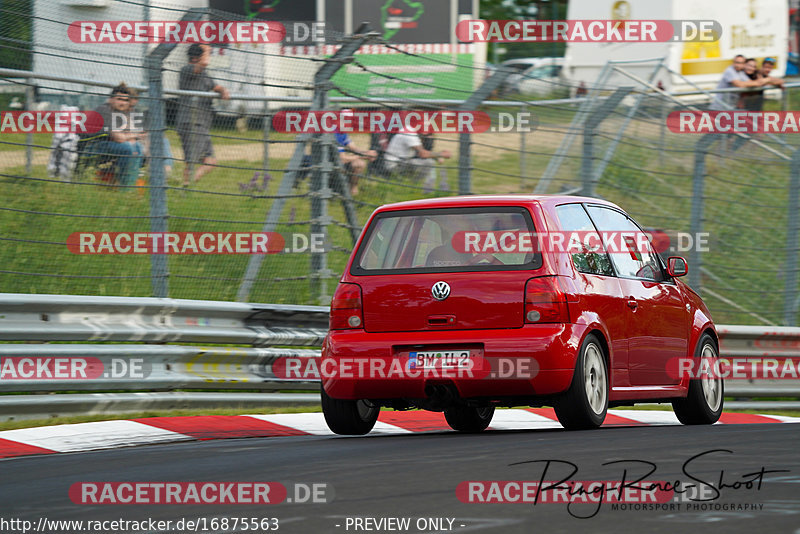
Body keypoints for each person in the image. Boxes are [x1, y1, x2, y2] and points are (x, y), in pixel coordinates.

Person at [176, 43, 229, 187]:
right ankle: (185, 188)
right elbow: (203, 63)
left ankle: (188, 184)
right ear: (196, 57)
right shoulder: (187, 70)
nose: (209, 56)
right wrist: (206, 50)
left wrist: (223, 90)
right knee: (191, 161)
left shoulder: (205, 75)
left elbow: (216, 87)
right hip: (191, 122)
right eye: (206, 53)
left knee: (210, 161)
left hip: (202, 123)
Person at [87, 83, 144, 187]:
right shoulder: (104, 110)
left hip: (111, 145)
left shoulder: (123, 112)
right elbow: (119, 138)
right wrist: (132, 136)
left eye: (126, 100)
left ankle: (129, 183)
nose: (122, 103)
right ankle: (125, 185)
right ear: (111, 99)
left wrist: (131, 137)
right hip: (93, 146)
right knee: (127, 148)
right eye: (119, 99)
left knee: (138, 147)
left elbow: (134, 135)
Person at [384, 127, 452, 194]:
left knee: (430, 161)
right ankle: (421, 187)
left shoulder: (409, 130)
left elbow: (422, 153)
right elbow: (423, 154)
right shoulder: (409, 133)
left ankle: (424, 186)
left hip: (400, 162)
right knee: (429, 162)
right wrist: (441, 154)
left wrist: (437, 156)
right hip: (396, 165)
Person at [334, 109, 377, 196]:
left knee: (359, 163)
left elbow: (354, 148)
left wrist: (367, 153)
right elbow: (343, 159)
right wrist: (362, 156)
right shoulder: (335, 133)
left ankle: (350, 188)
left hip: (340, 162)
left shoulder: (343, 133)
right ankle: (350, 188)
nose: (348, 123)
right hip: (334, 162)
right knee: (359, 164)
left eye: (350, 120)